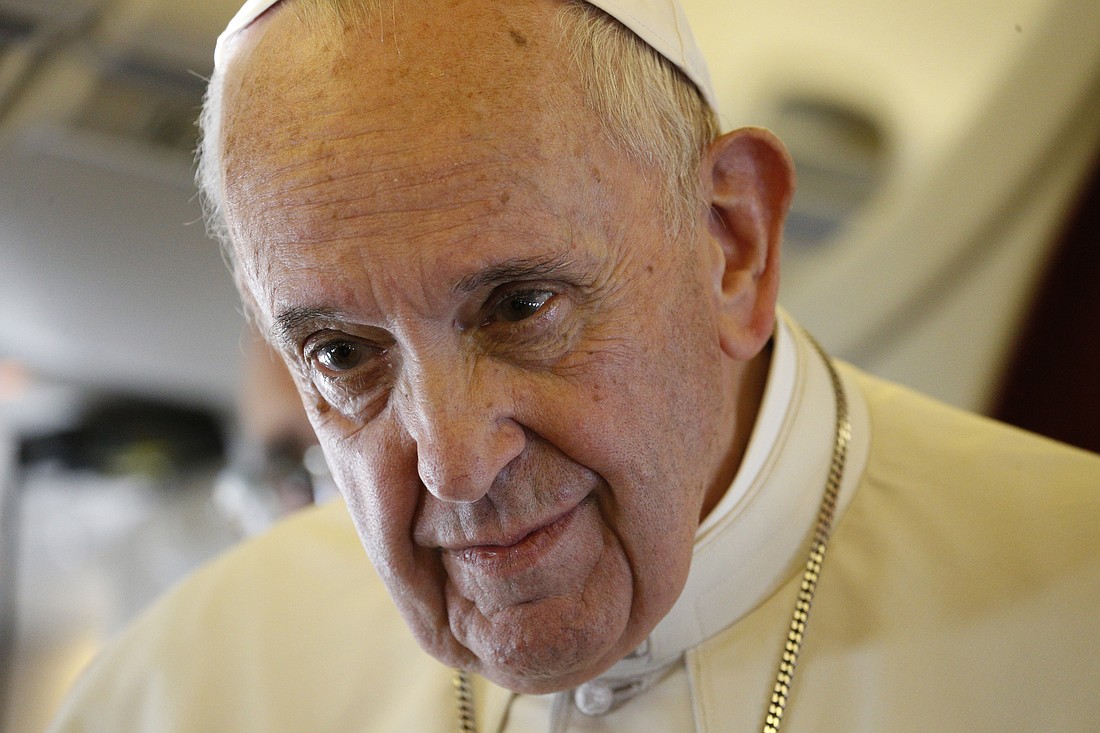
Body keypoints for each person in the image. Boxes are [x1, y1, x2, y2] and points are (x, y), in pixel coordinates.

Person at [48, 0, 1100, 731]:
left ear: (732, 246)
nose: (453, 465)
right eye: (341, 353)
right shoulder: (184, 692)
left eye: (520, 306)